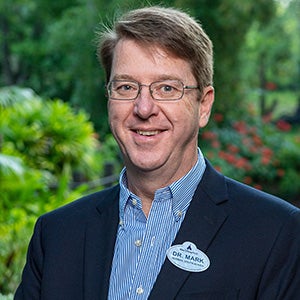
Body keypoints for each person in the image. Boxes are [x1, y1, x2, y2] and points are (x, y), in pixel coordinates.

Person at [15, 6, 300, 300]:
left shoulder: (277, 233)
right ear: (109, 98)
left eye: (166, 88)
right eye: (126, 87)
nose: (144, 108)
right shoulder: (57, 235)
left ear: (203, 104)